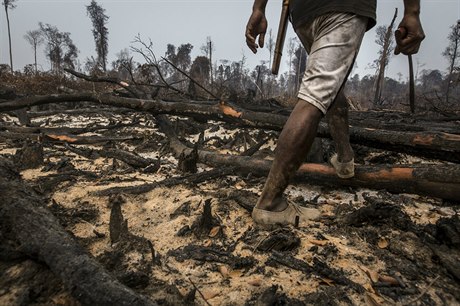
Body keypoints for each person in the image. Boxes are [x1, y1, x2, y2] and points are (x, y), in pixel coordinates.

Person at [245, 0, 425, 227]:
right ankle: (270, 203)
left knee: (330, 85)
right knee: (317, 94)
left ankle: (344, 159)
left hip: (302, 13)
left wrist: (258, 8)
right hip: (342, 6)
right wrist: (412, 11)